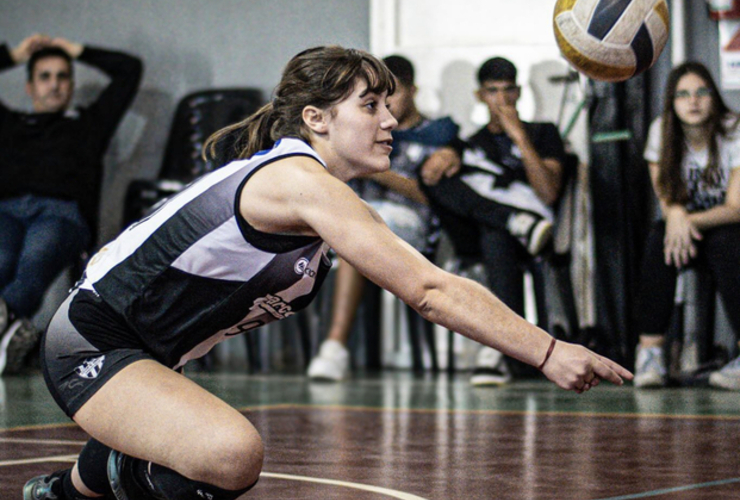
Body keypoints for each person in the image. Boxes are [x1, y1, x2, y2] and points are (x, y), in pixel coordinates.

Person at [24, 46, 631, 500]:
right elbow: (429, 289)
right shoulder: (299, 183)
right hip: (93, 342)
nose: (389, 120)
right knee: (233, 454)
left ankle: (65, 492)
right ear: (315, 119)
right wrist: (546, 351)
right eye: (370, 106)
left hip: (150, 358)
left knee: (201, 449)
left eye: (388, 105)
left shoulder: (318, 192)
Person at [306, 54, 459, 381]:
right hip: (357, 219)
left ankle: (335, 345)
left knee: (357, 234)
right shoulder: (361, 130)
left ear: (414, 90)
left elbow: (433, 195)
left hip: (412, 227)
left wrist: (375, 172)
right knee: (339, 229)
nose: (385, 107)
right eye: (376, 100)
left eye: (394, 95)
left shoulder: (439, 133)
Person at [0, 34, 142, 376]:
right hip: (5, 210)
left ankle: (7, 328)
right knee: (1, 259)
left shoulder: (88, 125)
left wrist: (76, 50)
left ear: (72, 84)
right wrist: (15, 54)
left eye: (63, 76)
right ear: (30, 86)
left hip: (61, 214)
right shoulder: (8, 124)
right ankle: (7, 334)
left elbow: (129, 70)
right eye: (45, 76)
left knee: (36, 254)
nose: (55, 85)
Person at [420, 56, 566, 386]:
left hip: (535, 232)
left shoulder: (544, 133)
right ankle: (509, 220)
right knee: (433, 176)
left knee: (495, 236)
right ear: (480, 96)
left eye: (508, 90)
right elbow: (432, 175)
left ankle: (498, 348)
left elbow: (549, 193)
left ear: (518, 92)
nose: (501, 100)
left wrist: (519, 136)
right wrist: (445, 157)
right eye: (492, 91)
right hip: (481, 228)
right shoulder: (470, 143)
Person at [632, 61, 740, 389]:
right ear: (672, 102)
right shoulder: (661, 130)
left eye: (700, 92)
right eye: (682, 95)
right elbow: (667, 199)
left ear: (713, 96)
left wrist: (683, 218)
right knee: (658, 239)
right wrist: (675, 217)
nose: (692, 101)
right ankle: (650, 354)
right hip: (687, 236)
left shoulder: (734, 129)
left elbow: (735, 208)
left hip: (726, 227)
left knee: (726, 242)